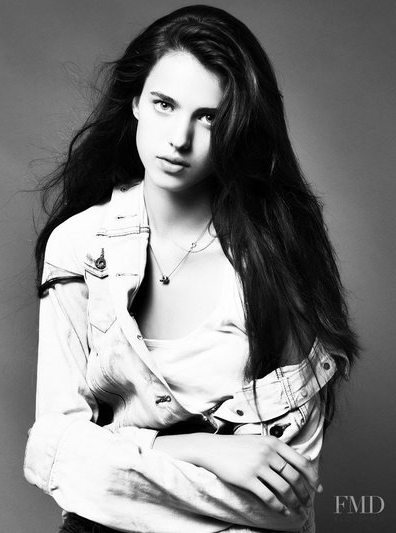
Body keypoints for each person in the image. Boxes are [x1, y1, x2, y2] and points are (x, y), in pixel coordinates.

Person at [23, 4, 358, 533]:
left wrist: (119, 464)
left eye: (209, 117)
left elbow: (284, 504)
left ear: (238, 127)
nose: (179, 138)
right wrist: (204, 449)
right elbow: (55, 452)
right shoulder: (79, 246)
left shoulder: (276, 258)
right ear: (135, 102)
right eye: (164, 104)